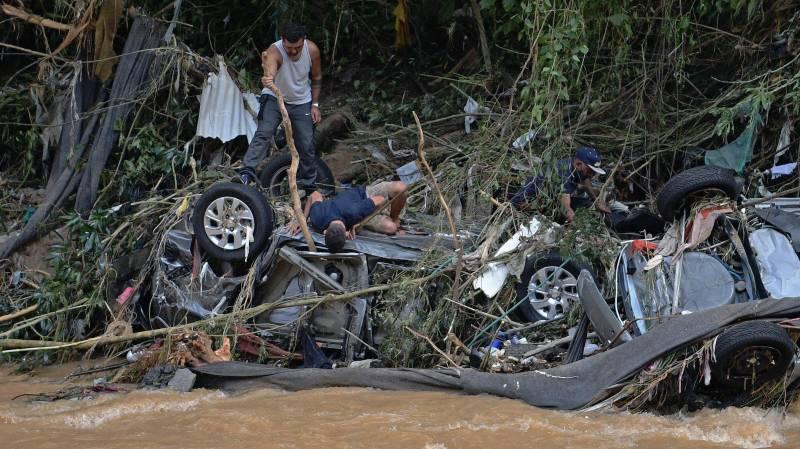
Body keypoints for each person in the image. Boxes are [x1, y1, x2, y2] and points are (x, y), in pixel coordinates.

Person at [237, 22, 323, 194]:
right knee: (264, 133)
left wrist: (315, 105)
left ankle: (309, 185)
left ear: (304, 41)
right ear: (282, 40)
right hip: (274, 98)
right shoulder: (274, 51)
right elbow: (270, 69)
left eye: (297, 47)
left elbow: (317, 77)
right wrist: (268, 79)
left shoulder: (312, 50)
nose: (293, 51)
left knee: (306, 144)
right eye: (289, 47)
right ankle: (246, 173)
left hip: (302, 101)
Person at [290, 181, 407, 252]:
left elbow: (380, 200)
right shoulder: (317, 217)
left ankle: (394, 216)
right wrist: (302, 220)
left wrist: (361, 223)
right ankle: (388, 214)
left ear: (325, 231)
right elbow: (315, 194)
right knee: (391, 228)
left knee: (400, 187)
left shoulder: (354, 212)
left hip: (364, 195)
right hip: (358, 206)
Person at [510, 146, 611, 222]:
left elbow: (585, 179)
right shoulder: (563, 175)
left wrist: (596, 201)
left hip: (551, 200)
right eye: (590, 171)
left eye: (594, 172)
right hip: (526, 204)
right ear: (578, 164)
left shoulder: (576, 169)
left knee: (586, 204)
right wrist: (582, 230)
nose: (592, 175)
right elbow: (566, 209)